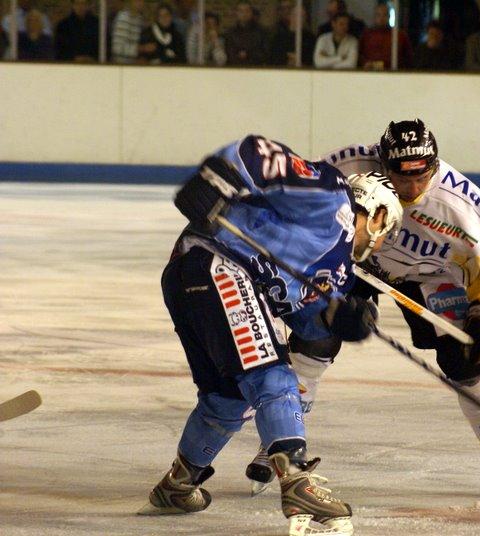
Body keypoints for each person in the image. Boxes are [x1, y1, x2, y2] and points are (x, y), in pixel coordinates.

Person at [245, 119, 480, 500]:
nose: (410, 188)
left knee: (467, 359)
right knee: (316, 339)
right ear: (383, 163)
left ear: (434, 164)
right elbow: (299, 201)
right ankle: (279, 442)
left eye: (420, 177)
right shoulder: (346, 166)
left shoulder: (466, 208)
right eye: (399, 177)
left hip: (430, 275)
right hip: (356, 262)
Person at [139, 134, 403, 536]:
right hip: (217, 263)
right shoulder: (332, 199)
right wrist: (219, 177)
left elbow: (303, 318)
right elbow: (260, 152)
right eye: (387, 231)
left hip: (188, 278)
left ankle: (178, 484)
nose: (381, 243)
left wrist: (338, 320)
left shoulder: (339, 272)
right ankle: (296, 480)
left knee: (226, 397)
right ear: (380, 214)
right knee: (273, 372)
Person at [358, 2, 412, 70]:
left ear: (389, 16)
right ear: (374, 16)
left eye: (385, 15)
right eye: (378, 15)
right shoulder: (366, 35)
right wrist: (365, 63)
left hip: (393, 74)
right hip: (370, 73)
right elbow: (359, 55)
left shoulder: (399, 35)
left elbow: (408, 58)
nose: (381, 18)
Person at [224, 2, 269, 66]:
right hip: (235, 69)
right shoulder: (230, 33)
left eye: (247, 11)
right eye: (241, 11)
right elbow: (229, 53)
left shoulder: (262, 32)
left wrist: (249, 54)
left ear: (251, 13)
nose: (244, 14)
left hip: (256, 68)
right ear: (236, 13)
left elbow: (265, 53)